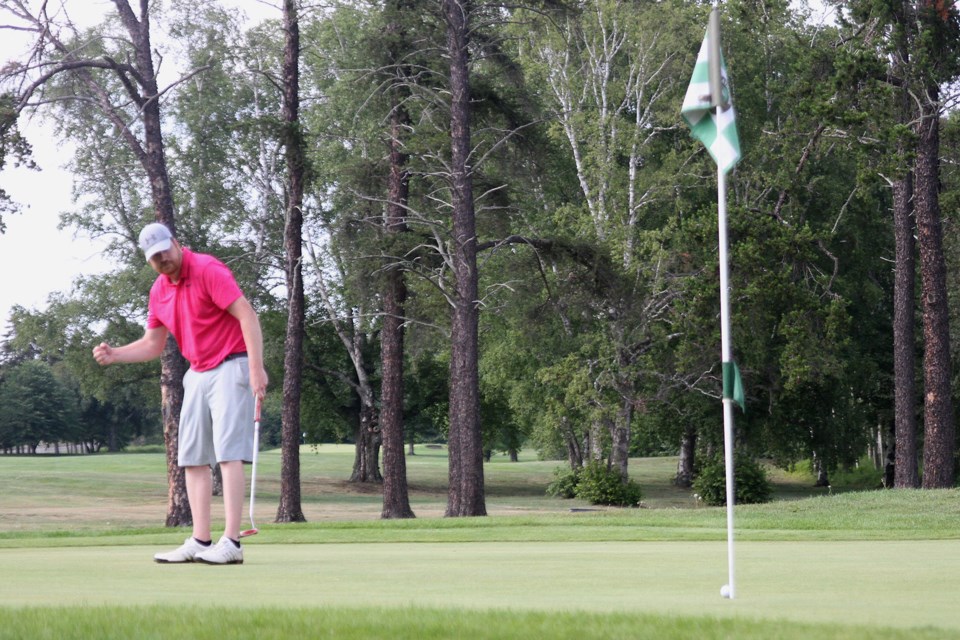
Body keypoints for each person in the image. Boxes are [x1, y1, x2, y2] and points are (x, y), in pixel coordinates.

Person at [93, 222, 268, 565]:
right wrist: (115, 355)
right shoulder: (159, 291)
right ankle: (201, 540)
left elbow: (246, 314)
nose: (162, 260)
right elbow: (152, 344)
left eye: (164, 251)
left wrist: (255, 367)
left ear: (175, 243)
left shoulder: (207, 269)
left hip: (232, 364)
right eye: (154, 258)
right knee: (191, 457)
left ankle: (231, 542)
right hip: (197, 371)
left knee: (228, 453)